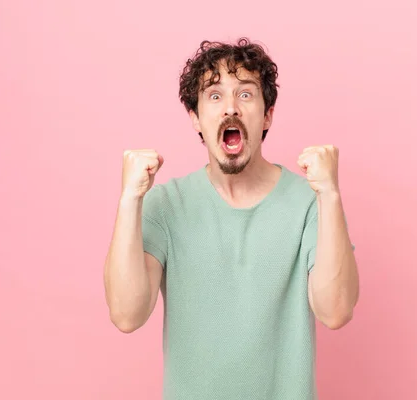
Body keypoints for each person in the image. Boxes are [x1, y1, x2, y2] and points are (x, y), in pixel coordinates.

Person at [103, 37, 359, 400]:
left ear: (267, 114)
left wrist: (330, 195)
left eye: (246, 94)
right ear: (195, 118)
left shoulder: (309, 203)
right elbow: (127, 315)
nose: (230, 109)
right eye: (214, 95)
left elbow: (335, 311)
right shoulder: (164, 204)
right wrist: (130, 200)